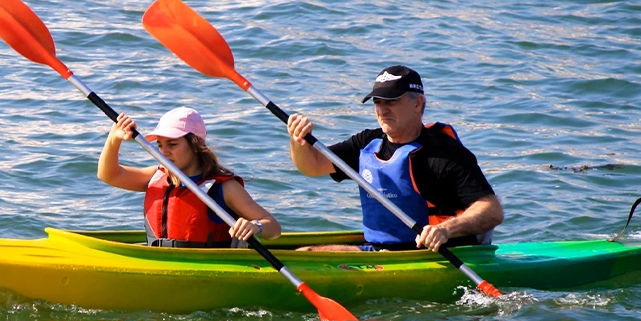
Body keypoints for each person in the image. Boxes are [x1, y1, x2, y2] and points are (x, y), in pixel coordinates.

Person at [285, 65, 503, 252]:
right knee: (305, 251)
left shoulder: (444, 154)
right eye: (377, 102)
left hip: (436, 252)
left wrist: (446, 229)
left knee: (308, 252)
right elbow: (312, 166)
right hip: (382, 250)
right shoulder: (367, 143)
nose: (382, 110)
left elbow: (492, 210)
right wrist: (298, 140)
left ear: (417, 103)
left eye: (391, 101)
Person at [98, 106, 281, 248]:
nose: (164, 152)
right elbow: (108, 175)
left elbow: (273, 228)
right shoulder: (155, 176)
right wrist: (114, 138)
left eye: (172, 144)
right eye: (160, 145)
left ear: (195, 144)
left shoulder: (224, 188)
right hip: (160, 260)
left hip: (206, 269)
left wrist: (256, 226)